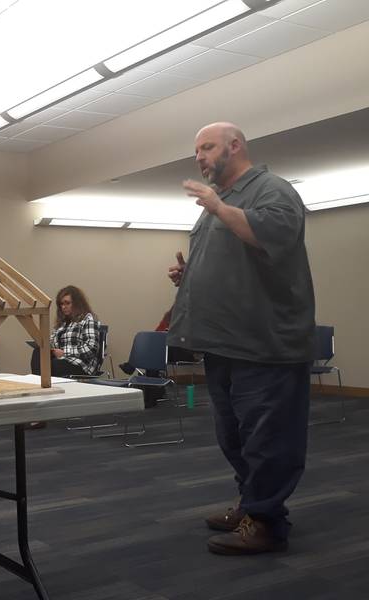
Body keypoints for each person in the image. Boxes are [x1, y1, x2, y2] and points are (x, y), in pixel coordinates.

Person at [167, 122, 315, 555]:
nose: (200, 157)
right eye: (196, 150)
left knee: (269, 438)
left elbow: (270, 237)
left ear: (235, 146)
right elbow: (236, 261)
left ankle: (268, 522)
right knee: (234, 436)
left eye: (207, 147)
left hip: (266, 344)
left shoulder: (272, 190)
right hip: (224, 342)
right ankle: (251, 504)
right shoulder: (222, 202)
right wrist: (187, 275)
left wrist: (216, 206)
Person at [30, 285, 100, 377]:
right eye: (61, 304)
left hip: (80, 364)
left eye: (67, 303)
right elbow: (52, 344)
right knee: (38, 352)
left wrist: (64, 352)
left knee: (54, 365)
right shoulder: (62, 324)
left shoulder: (87, 318)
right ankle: (39, 383)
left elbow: (91, 349)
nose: (63, 307)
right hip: (61, 360)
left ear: (77, 303)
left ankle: (42, 383)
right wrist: (45, 344)